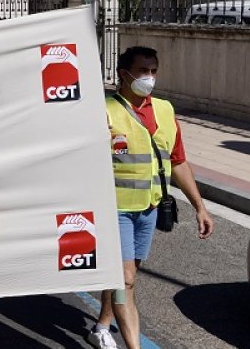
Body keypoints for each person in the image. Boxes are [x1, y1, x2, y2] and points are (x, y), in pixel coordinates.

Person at [88, 46, 214, 349]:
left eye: (154, 70)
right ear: (123, 74)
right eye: (144, 71)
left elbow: (178, 161)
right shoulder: (101, 111)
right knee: (126, 278)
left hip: (149, 208)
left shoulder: (165, 110)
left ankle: (103, 325)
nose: (150, 77)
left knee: (126, 276)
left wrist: (200, 206)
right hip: (113, 210)